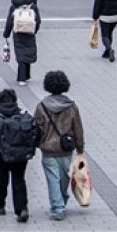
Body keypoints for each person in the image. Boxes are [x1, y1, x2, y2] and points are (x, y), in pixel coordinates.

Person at [0, 89, 38, 223]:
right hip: (21, 155)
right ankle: (21, 209)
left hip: (2, 154)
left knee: (2, 179)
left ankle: (0, 205)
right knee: (19, 180)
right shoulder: (23, 115)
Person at [35, 71, 85, 221]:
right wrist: (80, 148)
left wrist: (37, 144)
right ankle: (61, 201)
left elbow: (37, 128)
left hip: (48, 149)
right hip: (66, 149)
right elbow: (78, 129)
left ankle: (58, 207)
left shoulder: (42, 106)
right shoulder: (71, 107)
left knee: (52, 179)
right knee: (64, 178)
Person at [3, 0, 41, 85]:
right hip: (29, 33)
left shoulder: (14, 6)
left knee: (21, 55)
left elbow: (9, 22)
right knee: (28, 53)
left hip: (18, 33)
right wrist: (34, 31)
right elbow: (38, 21)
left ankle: (21, 78)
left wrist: (6, 34)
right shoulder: (33, 6)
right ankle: (27, 74)